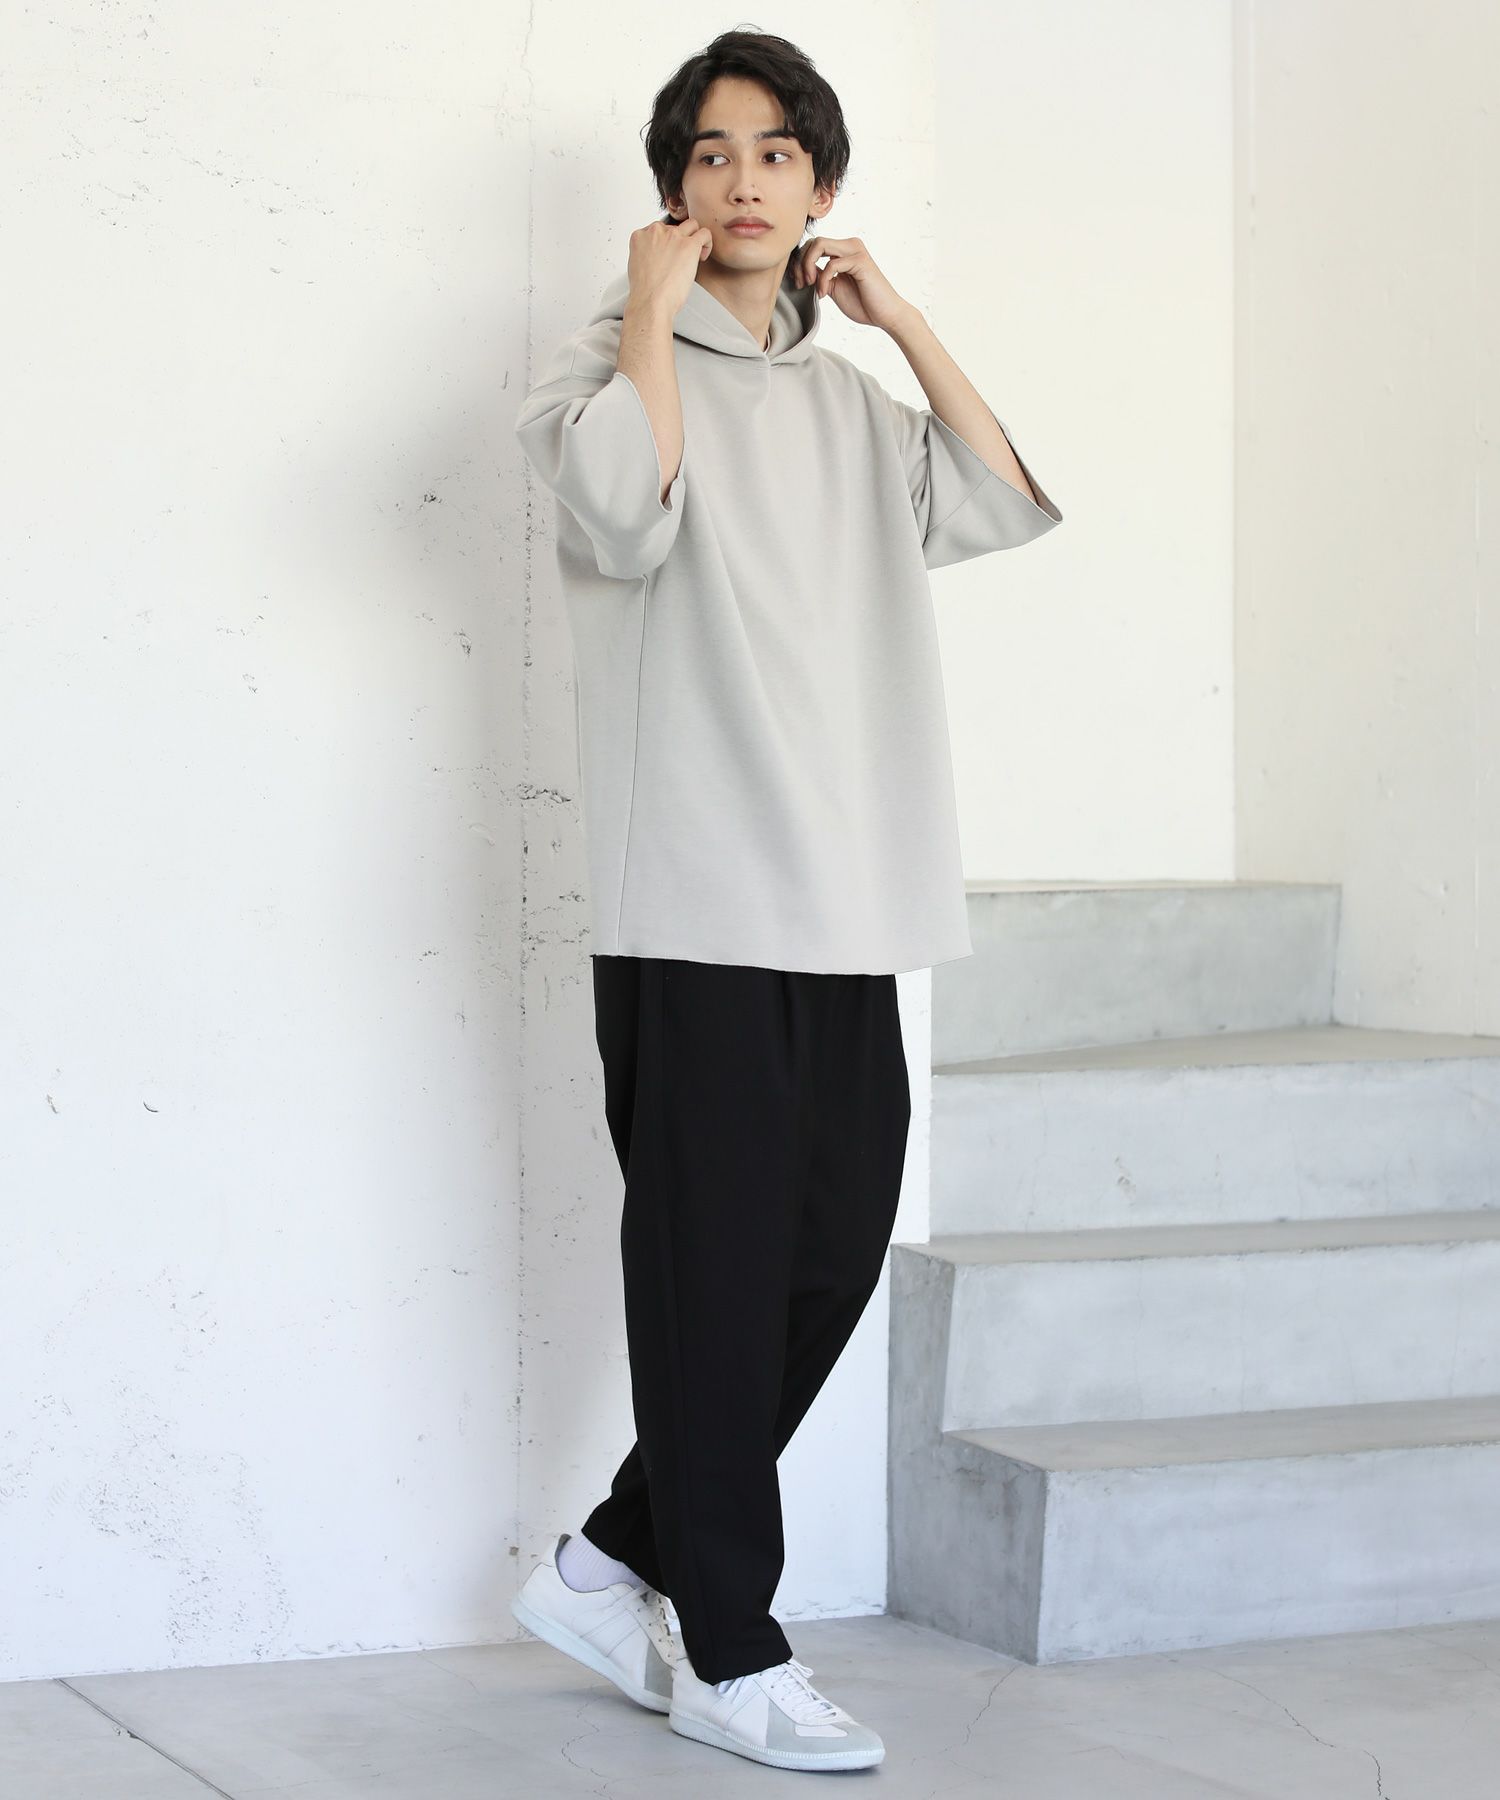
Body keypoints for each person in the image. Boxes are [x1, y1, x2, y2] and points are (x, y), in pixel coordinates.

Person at [509, 27, 1062, 1774]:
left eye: (775, 152)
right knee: (712, 1271)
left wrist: (899, 318)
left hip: (845, 894)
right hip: (690, 896)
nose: (741, 180)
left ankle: (610, 1559)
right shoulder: (600, 370)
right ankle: (730, 1650)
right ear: (672, 189)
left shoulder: (852, 406)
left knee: (826, 1247)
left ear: (821, 187)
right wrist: (646, 314)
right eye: (709, 151)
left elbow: (1003, 498)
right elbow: (623, 516)